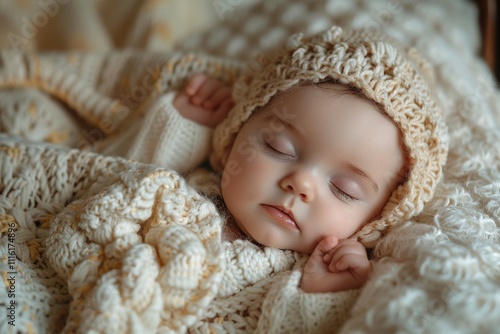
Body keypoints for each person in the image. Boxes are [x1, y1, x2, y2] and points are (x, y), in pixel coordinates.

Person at [123, 26, 448, 294]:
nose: (300, 184)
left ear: (375, 221)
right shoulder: (189, 185)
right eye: (279, 148)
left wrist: (322, 296)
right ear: (234, 135)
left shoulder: (312, 276)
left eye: (344, 189)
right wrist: (183, 125)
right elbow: (121, 181)